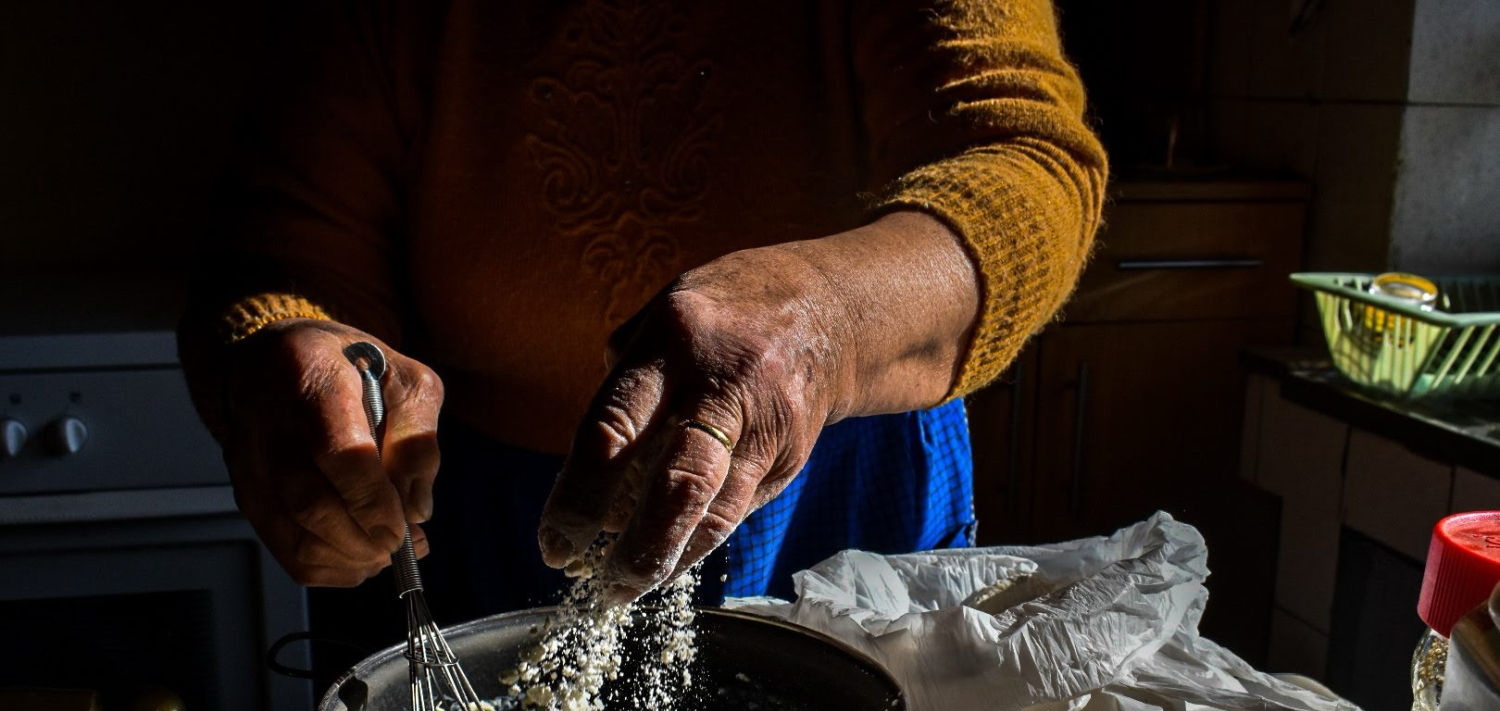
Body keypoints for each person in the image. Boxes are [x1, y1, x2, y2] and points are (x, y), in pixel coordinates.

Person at [177, 0, 1106, 621]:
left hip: (841, 486)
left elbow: (1027, 164)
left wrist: (822, 323)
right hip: (480, 513)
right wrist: (290, 350)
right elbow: (289, 236)